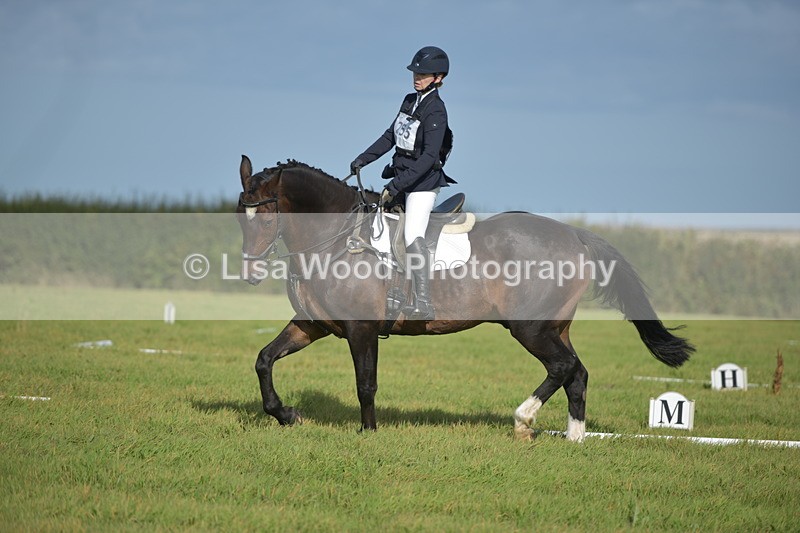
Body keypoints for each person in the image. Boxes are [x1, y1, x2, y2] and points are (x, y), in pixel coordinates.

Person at [350, 46, 455, 321]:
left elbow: (429, 157)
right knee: (381, 230)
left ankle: (423, 302)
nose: (416, 77)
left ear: (438, 76)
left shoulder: (437, 111)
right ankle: (393, 292)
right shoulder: (410, 101)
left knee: (411, 235)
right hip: (404, 178)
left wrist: (397, 185)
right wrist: (364, 158)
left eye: (422, 73)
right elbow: (390, 136)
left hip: (423, 183)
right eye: (415, 72)